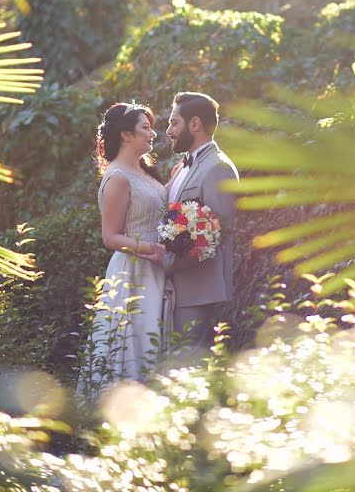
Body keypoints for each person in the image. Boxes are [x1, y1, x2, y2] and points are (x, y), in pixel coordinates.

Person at [76, 102, 167, 397]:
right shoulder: (117, 177)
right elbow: (111, 237)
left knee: (157, 335)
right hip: (134, 269)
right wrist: (146, 247)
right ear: (126, 135)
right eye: (146, 127)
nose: (152, 133)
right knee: (134, 341)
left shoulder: (145, 171)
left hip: (158, 264)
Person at [164, 92, 239, 349]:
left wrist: (167, 265)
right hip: (175, 289)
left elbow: (216, 237)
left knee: (188, 367)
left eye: (174, 123)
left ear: (194, 124)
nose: (168, 130)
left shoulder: (218, 168)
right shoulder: (183, 167)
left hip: (199, 292)